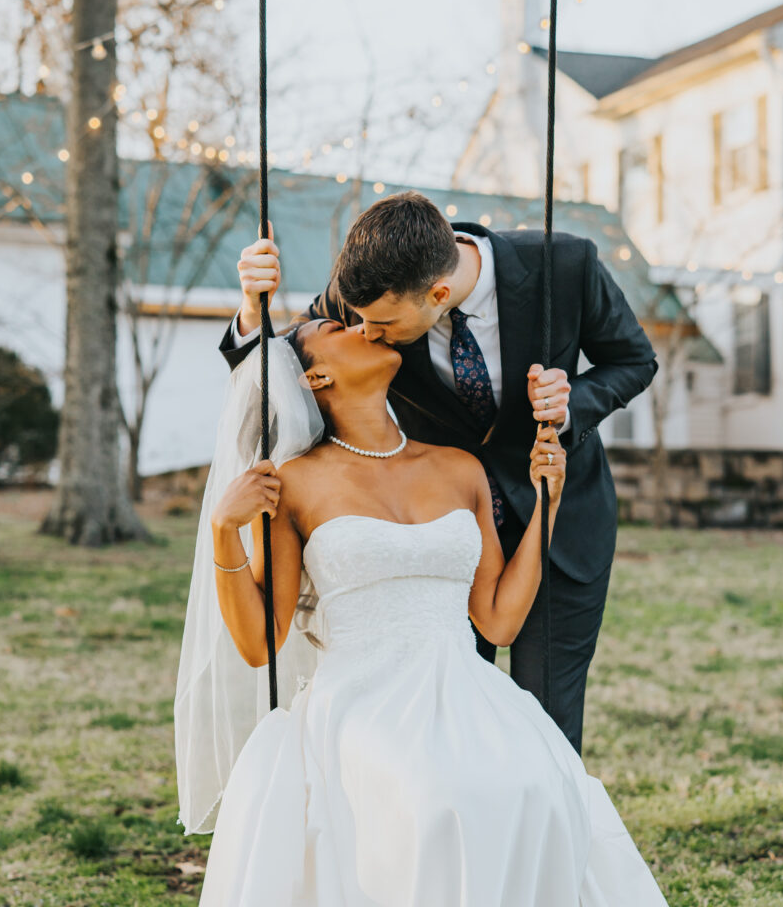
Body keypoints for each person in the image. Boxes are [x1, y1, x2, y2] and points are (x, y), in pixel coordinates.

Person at [67, 317, 761, 907]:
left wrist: (542, 503)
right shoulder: (295, 482)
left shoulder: (457, 466)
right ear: (314, 380)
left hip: (463, 686)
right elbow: (258, 642)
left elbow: (499, 618)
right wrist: (223, 532)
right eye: (333, 327)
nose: (360, 325)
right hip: (361, 702)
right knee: (441, 803)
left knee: (542, 785)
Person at [219, 192, 658, 752]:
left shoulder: (565, 264)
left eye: (381, 324)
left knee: (549, 727)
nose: (366, 332)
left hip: (560, 522)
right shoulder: (364, 289)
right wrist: (250, 310)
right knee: (445, 729)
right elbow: (282, 370)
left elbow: (635, 360)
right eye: (357, 321)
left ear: (439, 294)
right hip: (433, 534)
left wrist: (571, 404)